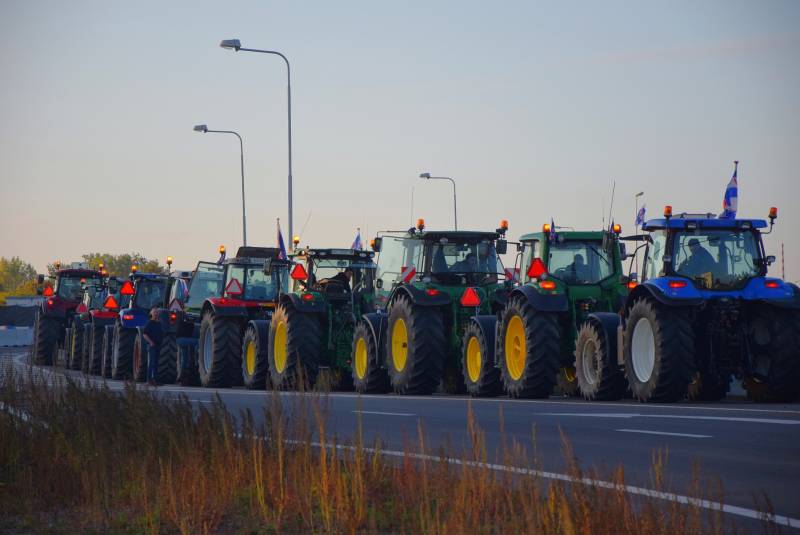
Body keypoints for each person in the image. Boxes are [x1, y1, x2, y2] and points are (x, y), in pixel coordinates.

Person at [142, 307, 164, 386]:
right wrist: (150, 342)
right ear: (151, 314)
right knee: (151, 362)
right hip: (152, 345)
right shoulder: (150, 323)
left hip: (158, 345)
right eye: (154, 312)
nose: (156, 313)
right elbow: (144, 334)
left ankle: (155, 380)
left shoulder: (159, 323)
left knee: (156, 363)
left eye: (157, 312)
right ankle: (149, 380)